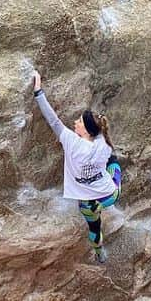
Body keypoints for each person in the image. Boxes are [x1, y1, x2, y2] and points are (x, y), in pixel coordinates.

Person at [32, 72, 121, 263]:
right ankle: (105, 205)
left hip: (87, 203)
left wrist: (38, 91)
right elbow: (101, 133)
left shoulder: (70, 141)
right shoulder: (103, 145)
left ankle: (99, 253)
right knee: (114, 165)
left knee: (94, 228)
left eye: (79, 121)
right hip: (108, 194)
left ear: (87, 131)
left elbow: (53, 120)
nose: (75, 122)